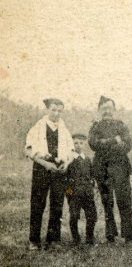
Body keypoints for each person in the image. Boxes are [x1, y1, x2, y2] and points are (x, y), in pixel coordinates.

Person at [24, 97, 74, 249]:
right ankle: (34, 240)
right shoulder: (37, 128)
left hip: (59, 170)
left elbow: (71, 151)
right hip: (42, 168)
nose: (57, 113)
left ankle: (53, 239)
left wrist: (66, 163)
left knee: (57, 203)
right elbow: (29, 150)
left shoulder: (64, 129)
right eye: (53, 110)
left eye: (60, 111)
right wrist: (45, 164)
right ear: (47, 110)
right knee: (38, 203)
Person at [88, 95, 132, 244]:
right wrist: (114, 140)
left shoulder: (121, 125)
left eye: (109, 108)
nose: (107, 111)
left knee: (124, 200)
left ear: (114, 109)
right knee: (106, 201)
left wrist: (105, 144)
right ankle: (110, 234)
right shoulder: (95, 127)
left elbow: (128, 145)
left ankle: (128, 234)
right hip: (102, 168)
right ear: (99, 110)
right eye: (104, 108)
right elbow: (93, 144)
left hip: (120, 166)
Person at [65, 134, 98, 246]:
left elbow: (92, 175)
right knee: (74, 216)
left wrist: (91, 186)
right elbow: (65, 178)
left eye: (81, 143)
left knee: (92, 216)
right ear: (72, 144)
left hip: (87, 193)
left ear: (85, 145)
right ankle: (76, 239)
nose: (78, 145)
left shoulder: (87, 159)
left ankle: (89, 238)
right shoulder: (69, 159)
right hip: (74, 193)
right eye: (76, 143)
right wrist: (69, 194)